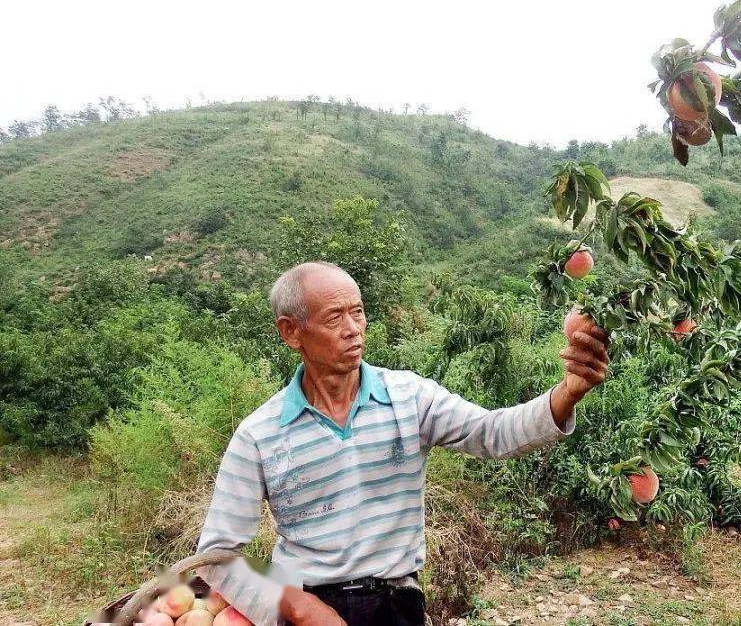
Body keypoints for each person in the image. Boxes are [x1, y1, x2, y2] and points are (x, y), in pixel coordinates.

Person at [195, 261, 609, 625]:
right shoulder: (260, 434)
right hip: (308, 607)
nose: (353, 329)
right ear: (291, 332)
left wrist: (567, 392)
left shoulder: (409, 397)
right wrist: (297, 607)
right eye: (335, 316)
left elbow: (493, 433)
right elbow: (216, 553)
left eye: (358, 312)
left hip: (396, 605)